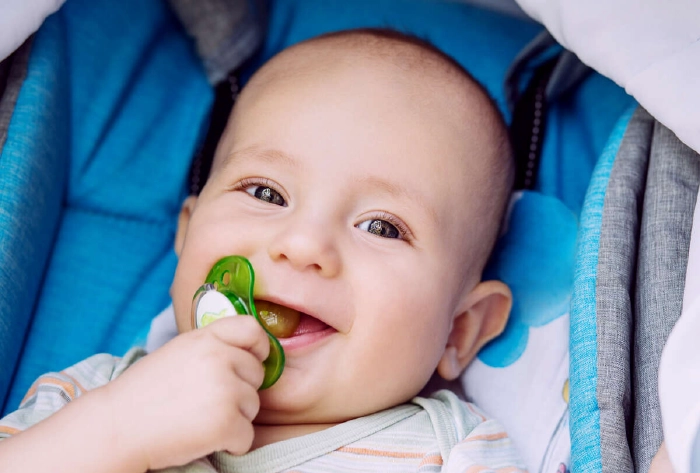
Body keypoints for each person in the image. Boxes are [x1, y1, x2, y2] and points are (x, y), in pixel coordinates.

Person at [0, 28, 522, 472]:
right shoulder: (93, 397)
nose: (302, 245)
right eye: (265, 193)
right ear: (187, 235)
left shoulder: (455, 452)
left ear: (460, 328)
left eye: (382, 227)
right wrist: (112, 431)